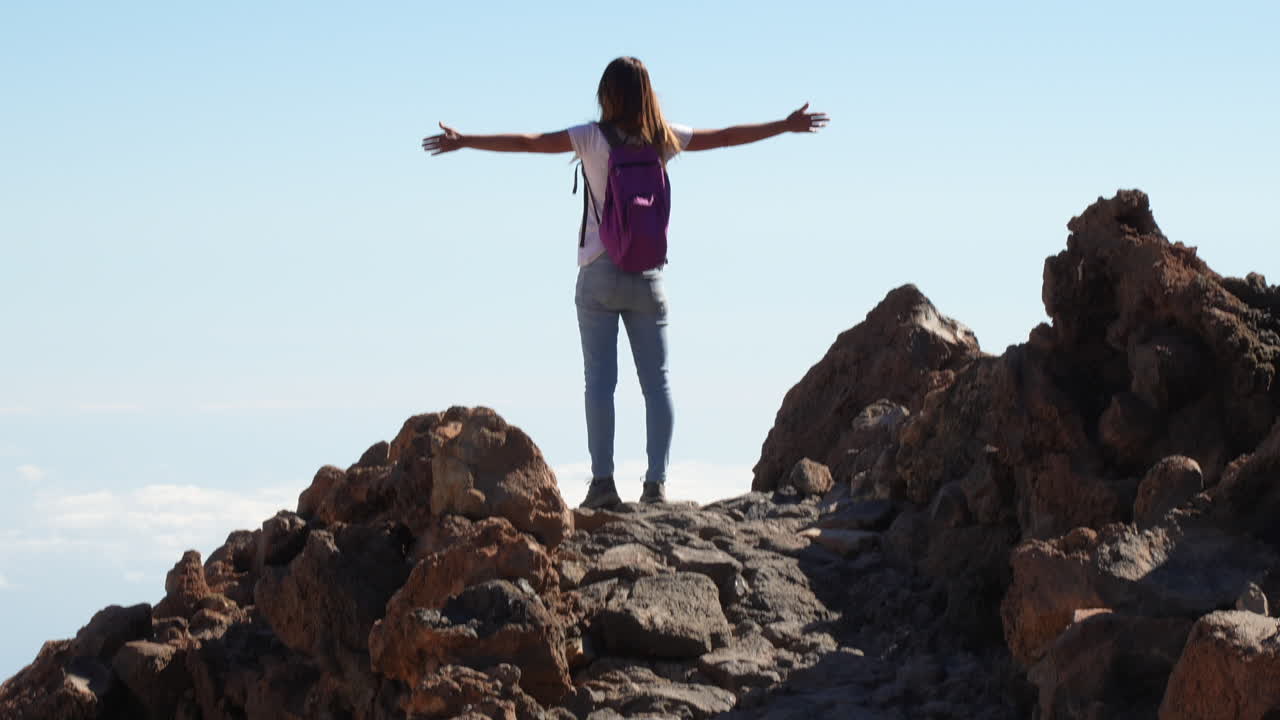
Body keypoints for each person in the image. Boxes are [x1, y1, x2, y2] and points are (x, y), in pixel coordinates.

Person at [422, 56, 828, 509]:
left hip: (598, 271)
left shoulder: (590, 138)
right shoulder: (663, 140)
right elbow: (728, 136)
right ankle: (655, 486)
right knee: (657, 383)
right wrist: (785, 125)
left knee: (599, 382)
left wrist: (466, 142)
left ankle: (602, 485)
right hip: (649, 276)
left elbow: (529, 142)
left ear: (606, 94)